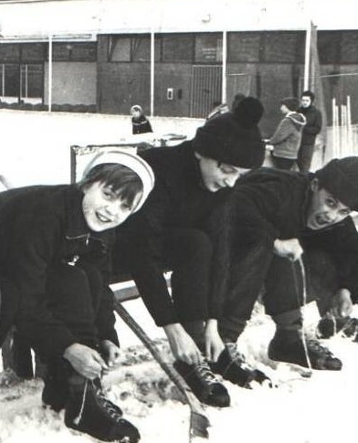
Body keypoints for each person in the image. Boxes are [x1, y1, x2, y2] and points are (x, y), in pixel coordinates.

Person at [0, 150, 155, 443]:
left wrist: (106, 336)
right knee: (7, 298)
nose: (111, 210)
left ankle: (71, 392)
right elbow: (29, 297)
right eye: (108, 195)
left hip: (11, 267)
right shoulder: (46, 214)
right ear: (87, 183)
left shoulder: (101, 228)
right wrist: (69, 348)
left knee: (80, 278)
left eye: (124, 207)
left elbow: (99, 285)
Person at [112, 97, 266, 407]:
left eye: (240, 175)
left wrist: (212, 320)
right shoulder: (159, 170)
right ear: (200, 153)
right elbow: (142, 252)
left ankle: (198, 354)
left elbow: (220, 246)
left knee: (200, 243)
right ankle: (189, 350)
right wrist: (171, 327)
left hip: (168, 245)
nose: (231, 182)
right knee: (194, 242)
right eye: (227, 170)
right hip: (115, 248)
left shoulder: (223, 184)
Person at [217, 154, 358, 376]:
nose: (331, 215)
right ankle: (223, 341)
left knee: (323, 257)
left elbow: (354, 252)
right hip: (216, 246)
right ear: (315, 185)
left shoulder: (333, 218)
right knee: (266, 247)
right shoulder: (282, 190)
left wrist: (347, 290)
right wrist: (273, 242)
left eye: (343, 211)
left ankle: (290, 339)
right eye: (330, 203)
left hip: (258, 259)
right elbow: (231, 205)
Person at [267, 97, 305, 171]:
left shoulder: (288, 121)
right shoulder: (298, 119)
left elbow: (279, 136)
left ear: (288, 107)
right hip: (292, 153)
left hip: (282, 153)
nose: (281, 108)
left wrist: (269, 142)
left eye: (283, 106)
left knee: (280, 175)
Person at [297, 90, 323, 172]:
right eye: (303, 100)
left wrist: (304, 128)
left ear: (311, 101)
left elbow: (317, 129)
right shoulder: (298, 111)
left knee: (305, 165)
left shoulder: (316, 113)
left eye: (307, 101)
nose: (304, 102)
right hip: (297, 142)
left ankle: (305, 181)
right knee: (298, 163)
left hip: (308, 143)